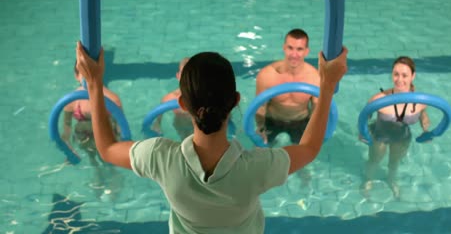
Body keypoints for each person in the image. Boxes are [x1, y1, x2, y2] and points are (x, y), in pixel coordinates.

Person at [75, 40, 347, 233]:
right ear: (236, 101)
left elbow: (108, 148)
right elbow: (310, 148)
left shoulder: (160, 157)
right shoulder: (256, 167)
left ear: (182, 104)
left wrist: (95, 84)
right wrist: (327, 85)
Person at [361, 56, 431, 199]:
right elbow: (365, 115)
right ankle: (368, 180)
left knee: (394, 163)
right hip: (380, 135)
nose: (399, 79)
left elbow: (423, 116)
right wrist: (363, 132)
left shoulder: (420, 101)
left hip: (402, 137)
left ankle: (391, 181)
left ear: (413, 76)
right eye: (396, 74)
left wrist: (426, 131)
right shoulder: (379, 99)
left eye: (404, 75)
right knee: (374, 160)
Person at [62, 61, 124, 201]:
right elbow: (66, 127)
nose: (87, 77)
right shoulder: (72, 101)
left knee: (108, 160)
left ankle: (113, 173)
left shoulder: (111, 98)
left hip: (107, 136)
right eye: (84, 74)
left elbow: (121, 128)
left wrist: (120, 148)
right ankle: (97, 171)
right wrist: (68, 149)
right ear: (76, 76)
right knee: (92, 158)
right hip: (86, 138)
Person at [255, 28, 321, 146]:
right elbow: (260, 107)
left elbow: (316, 110)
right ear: (284, 48)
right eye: (290, 48)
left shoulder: (315, 78)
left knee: (301, 159)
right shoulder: (267, 75)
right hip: (272, 121)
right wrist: (260, 128)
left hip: (300, 122)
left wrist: (313, 130)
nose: (294, 55)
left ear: (306, 51)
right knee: (261, 154)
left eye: (299, 49)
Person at [152, 57, 193, 140]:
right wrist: (157, 126)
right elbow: (158, 118)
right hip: (181, 125)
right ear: (178, 76)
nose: (187, 78)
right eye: (184, 74)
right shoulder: (170, 98)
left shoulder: (204, 96)